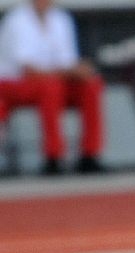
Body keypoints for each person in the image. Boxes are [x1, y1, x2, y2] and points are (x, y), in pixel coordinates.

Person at [0, 0, 104, 175]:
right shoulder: (16, 20)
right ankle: (53, 156)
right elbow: (29, 71)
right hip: (14, 84)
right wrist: (68, 72)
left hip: (53, 82)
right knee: (51, 88)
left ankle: (89, 155)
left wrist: (80, 70)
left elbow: (67, 61)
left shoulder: (61, 19)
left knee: (91, 85)